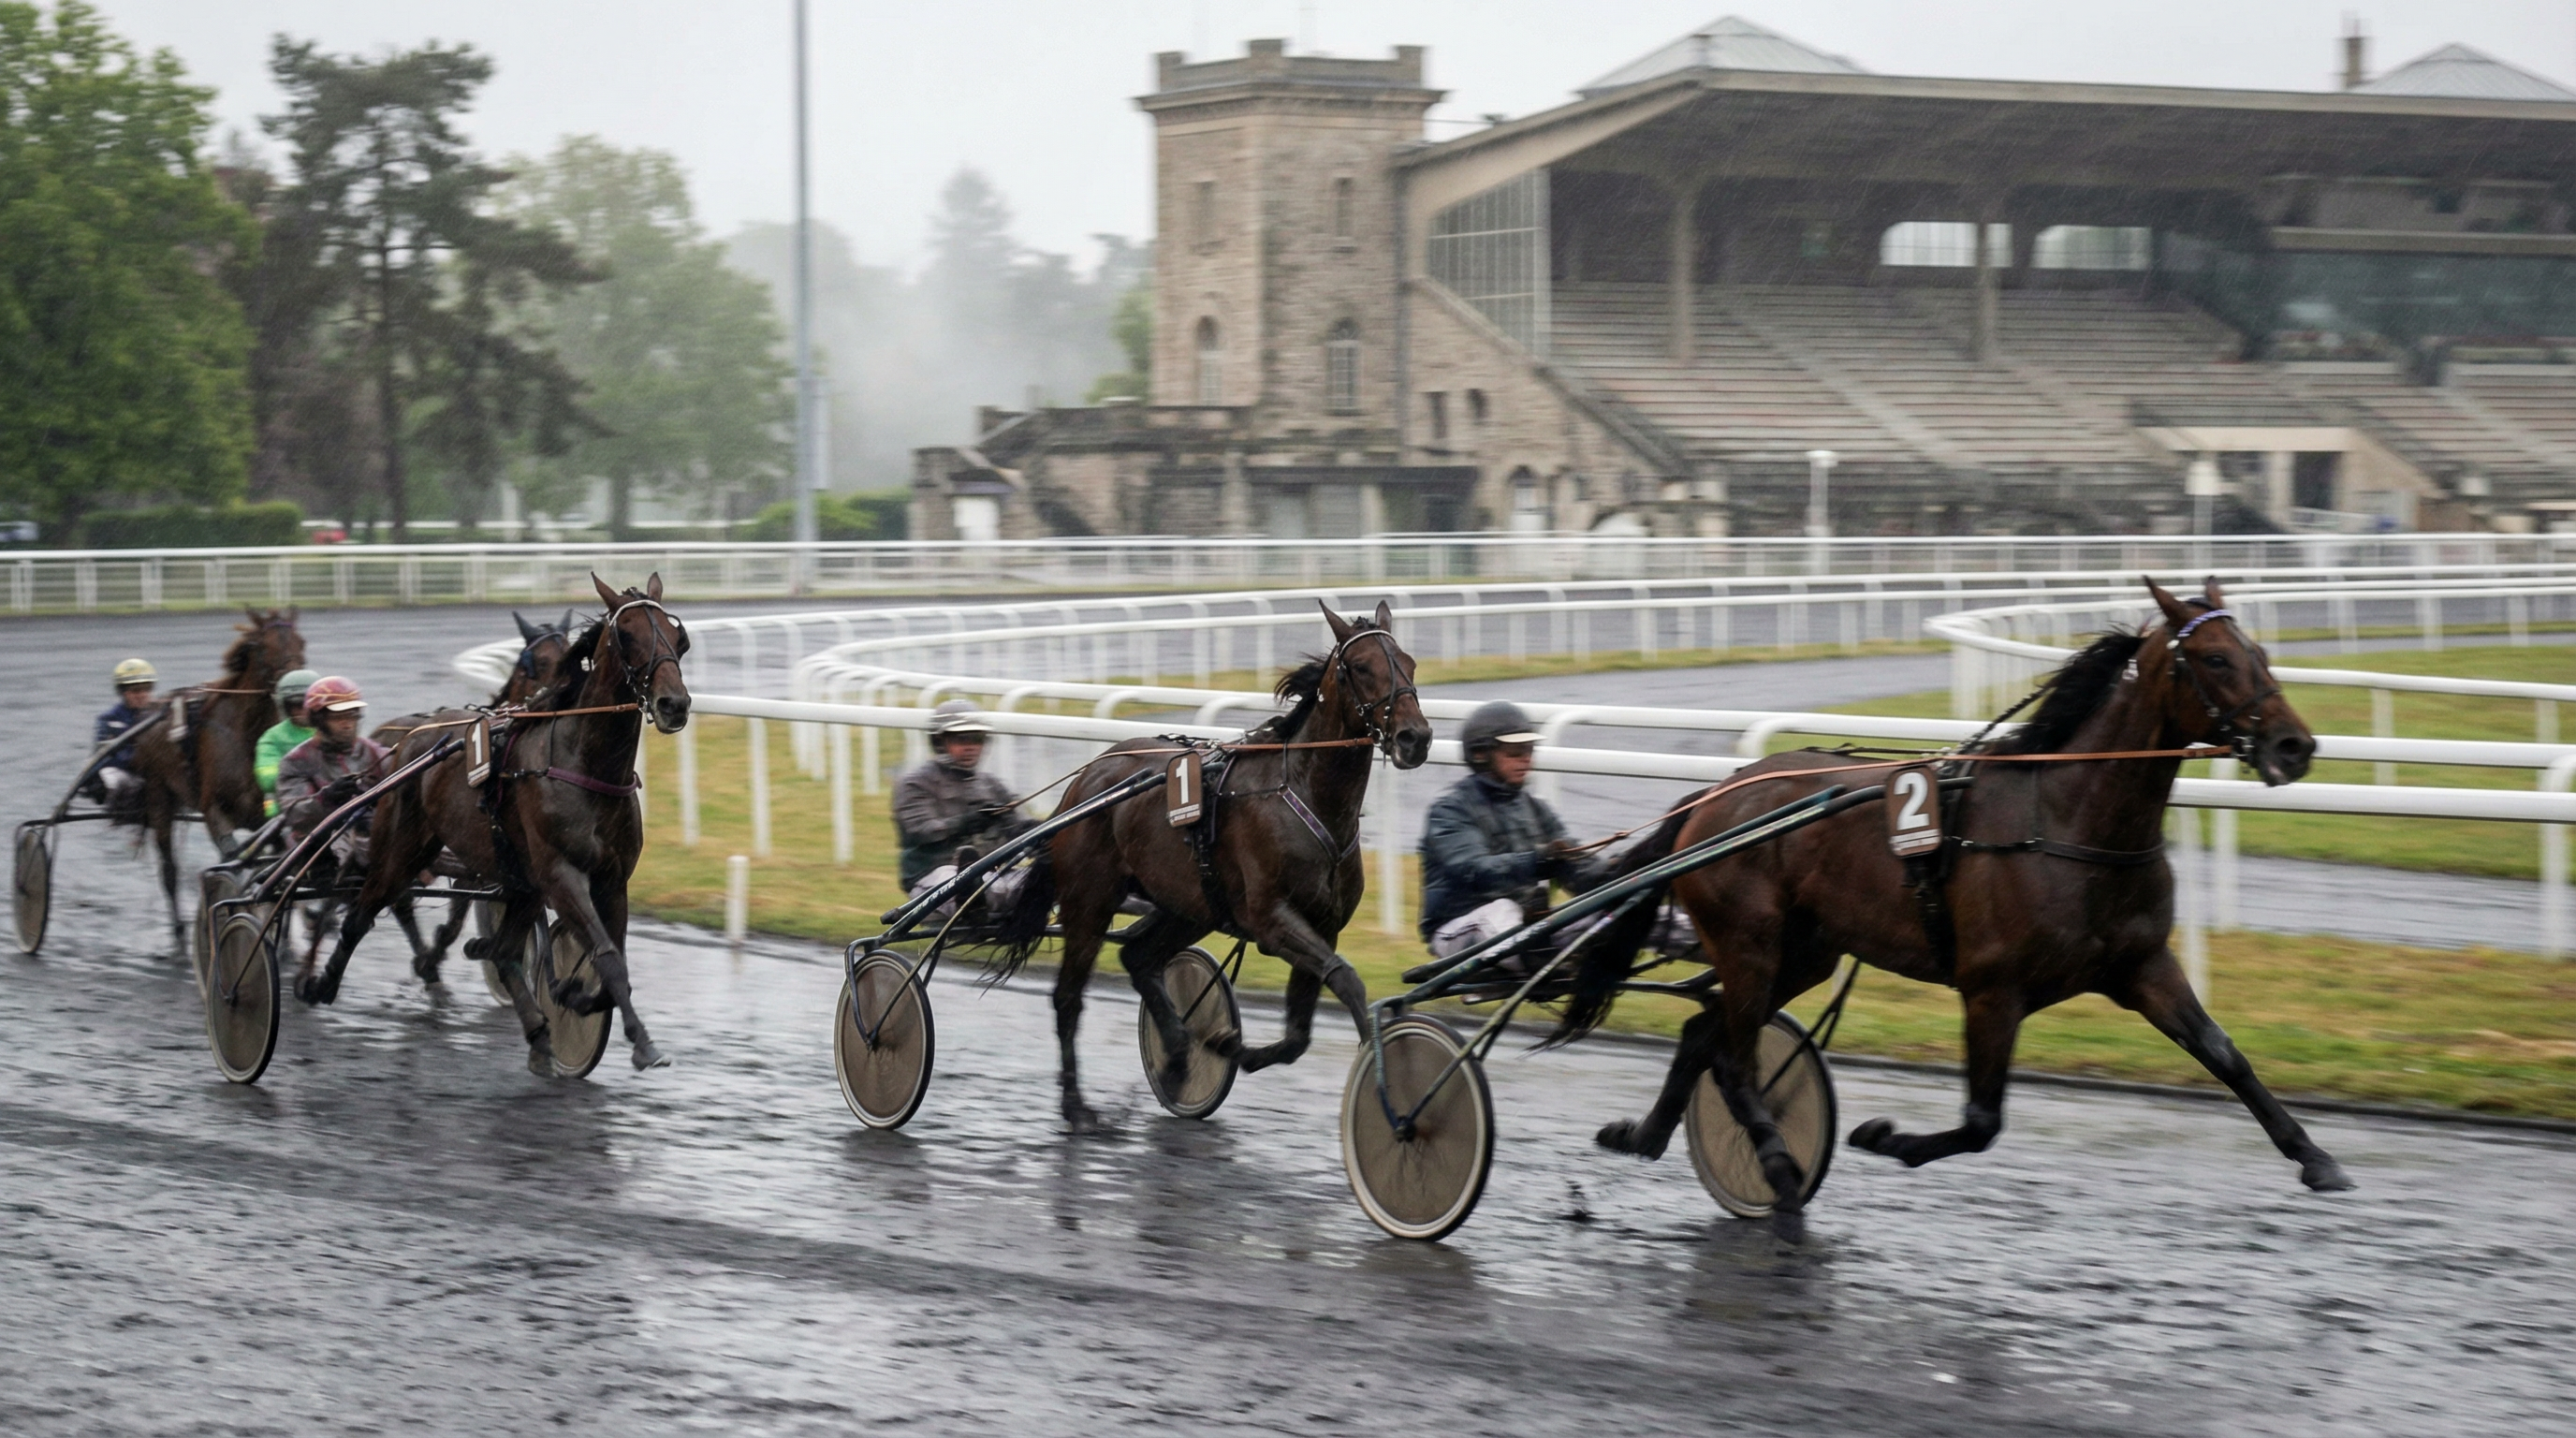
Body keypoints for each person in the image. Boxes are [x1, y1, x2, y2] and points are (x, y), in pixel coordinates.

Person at [1417, 700, 1606, 964]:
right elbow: (1475, 871)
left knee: (1616, 907)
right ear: (1481, 754)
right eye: (1515, 751)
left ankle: (1686, 941)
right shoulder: (1449, 811)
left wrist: (1619, 872)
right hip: (1457, 930)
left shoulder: (1536, 808)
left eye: (1529, 749)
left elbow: (1576, 866)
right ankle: (1540, 959)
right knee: (1502, 910)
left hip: (1526, 926)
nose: (1526, 758)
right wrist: (1539, 859)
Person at [893, 699, 1031, 902]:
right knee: (974, 884)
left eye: (977, 739)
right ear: (939, 742)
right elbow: (920, 830)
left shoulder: (992, 785)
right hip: (933, 876)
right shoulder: (914, 783)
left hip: (990, 875)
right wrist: (966, 823)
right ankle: (975, 897)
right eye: (962, 739)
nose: (971, 747)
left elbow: (1021, 825)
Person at [274, 677, 388, 857]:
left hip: (372, 835)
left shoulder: (376, 753)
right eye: (338, 717)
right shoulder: (296, 760)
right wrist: (327, 798)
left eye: (352, 715)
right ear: (318, 720)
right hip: (319, 844)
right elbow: (295, 815)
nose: (347, 724)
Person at [89, 658, 158, 816]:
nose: (142, 695)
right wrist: (138, 759)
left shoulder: (159, 715)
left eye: (146, 689)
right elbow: (107, 757)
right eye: (135, 690)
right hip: (119, 771)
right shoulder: (108, 719)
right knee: (117, 780)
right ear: (123, 692)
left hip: (148, 770)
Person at [256, 668, 321, 817]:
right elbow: (268, 781)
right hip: (290, 810)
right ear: (285, 707)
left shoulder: (333, 728)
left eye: (307, 705)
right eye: (295, 705)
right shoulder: (272, 738)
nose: (302, 711)